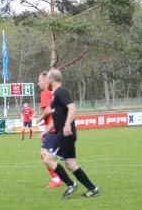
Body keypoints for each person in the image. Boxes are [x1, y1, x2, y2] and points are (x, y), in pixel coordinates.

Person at [40, 69, 100, 199]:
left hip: (65, 133)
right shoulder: (56, 95)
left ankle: (70, 184)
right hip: (66, 133)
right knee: (70, 164)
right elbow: (57, 119)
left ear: (50, 80)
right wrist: (46, 130)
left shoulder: (61, 92)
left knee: (48, 159)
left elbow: (72, 107)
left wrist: (67, 124)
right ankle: (92, 188)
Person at [35, 71, 62, 188]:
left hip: (53, 128)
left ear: (46, 81)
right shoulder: (54, 93)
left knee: (44, 154)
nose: (38, 83)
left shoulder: (45, 93)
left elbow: (48, 110)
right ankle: (59, 177)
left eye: (39, 80)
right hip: (56, 126)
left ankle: (56, 178)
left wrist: (39, 118)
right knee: (50, 155)